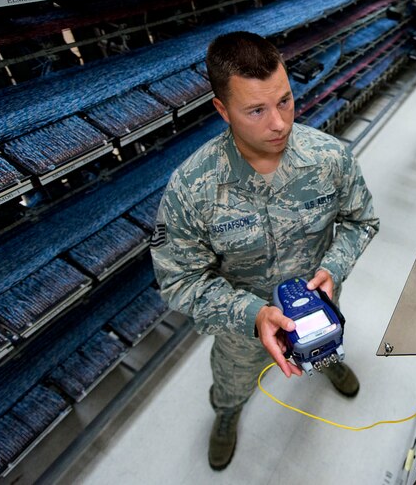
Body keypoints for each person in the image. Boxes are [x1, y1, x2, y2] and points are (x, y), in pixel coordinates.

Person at [150, 31, 379, 471]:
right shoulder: (193, 188)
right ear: (222, 110)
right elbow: (179, 280)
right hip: (244, 330)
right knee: (233, 384)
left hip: (318, 308)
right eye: (256, 110)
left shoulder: (329, 158)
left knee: (325, 346)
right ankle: (228, 414)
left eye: (285, 101)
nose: (279, 123)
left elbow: (360, 220)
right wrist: (252, 315)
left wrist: (334, 267)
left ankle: (326, 360)